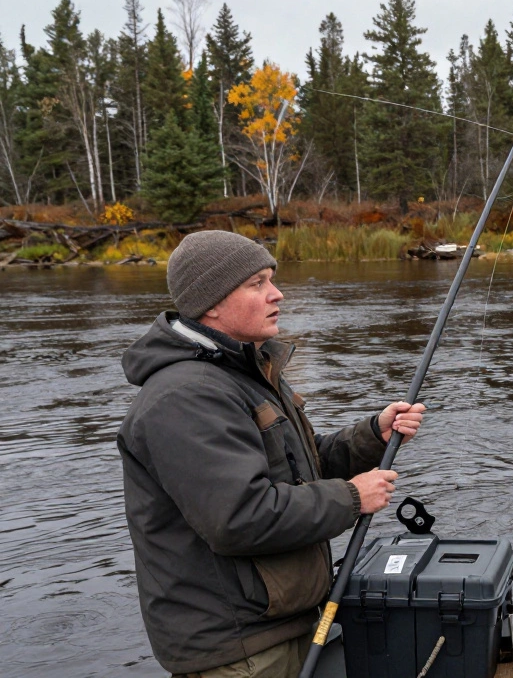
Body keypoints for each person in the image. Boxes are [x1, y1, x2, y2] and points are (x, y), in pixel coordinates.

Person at [116, 230, 427, 678]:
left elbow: (302, 467)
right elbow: (240, 517)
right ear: (213, 301)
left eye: (271, 280)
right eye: (257, 283)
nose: (277, 293)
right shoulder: (184, 397)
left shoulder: (245, 370)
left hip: (284, 624)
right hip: (239, 649)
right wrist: (352, 498)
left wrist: (372, 436)